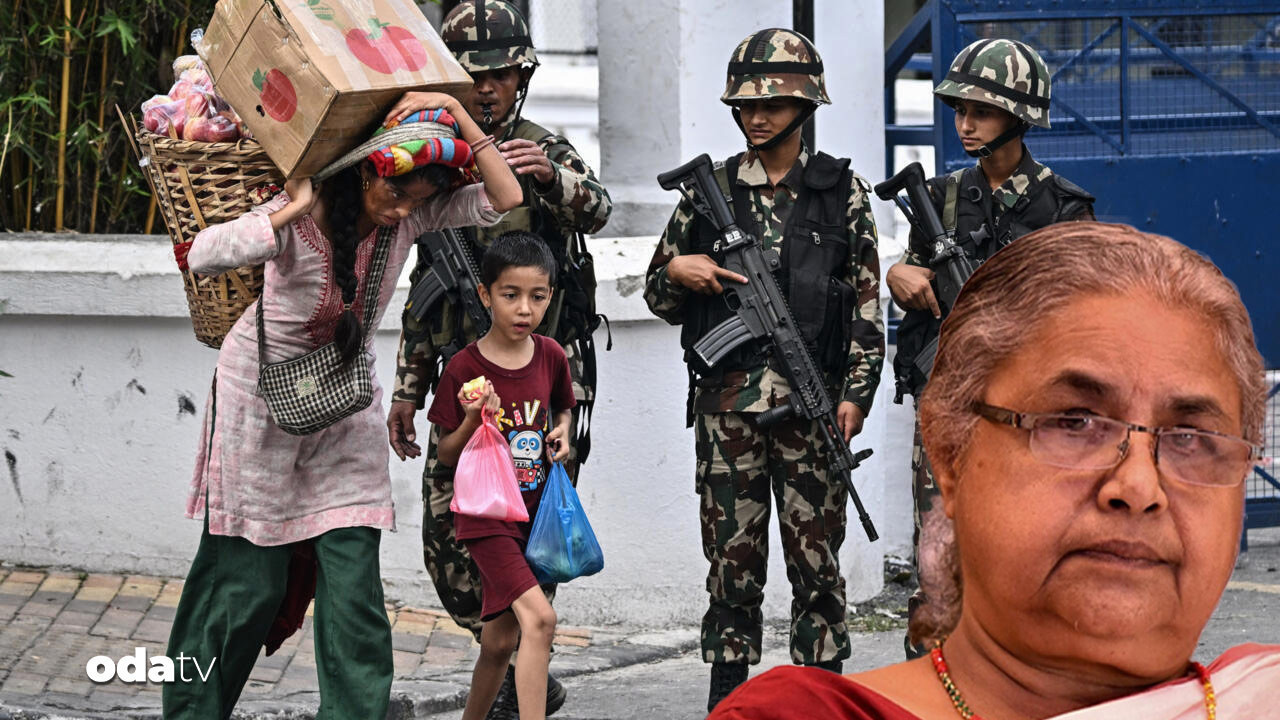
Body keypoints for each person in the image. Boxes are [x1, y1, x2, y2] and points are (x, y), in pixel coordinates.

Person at [709, 221, 1278, 719]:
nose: (1137, 487)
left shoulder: (1259, 697)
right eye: (1074, 422)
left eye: (1190, 438)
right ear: (950, 454)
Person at [161, 91, 521, 719]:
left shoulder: (411, 219)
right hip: (258, 405)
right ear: (366, 166)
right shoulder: (305, 210)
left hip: (345, 407)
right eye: (396, 187)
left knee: (354, 584)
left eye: (420, 194)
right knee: (247, 583)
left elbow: (504, 198)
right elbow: (203, 253)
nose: (403, 204)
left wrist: (459, 119)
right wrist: (290, 207)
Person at [643, 28, 884, 713]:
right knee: (731, 568)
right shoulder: (711, 190)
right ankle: (728, 701)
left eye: (772, 104)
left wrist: (855, 400)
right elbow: (659, 298)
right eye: (746, 105)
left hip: (814, 414)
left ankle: (824, 699)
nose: (756, 115)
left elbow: (867, 310)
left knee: (818, 569)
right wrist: (676, 270)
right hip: (728, 411)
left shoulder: (843, 195)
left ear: (805, 106)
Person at [387, 2, 612, 714]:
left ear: (523, 77)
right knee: (447, 542)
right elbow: (422, 293)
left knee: (531, 534)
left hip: (539, 384)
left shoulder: (544, 150)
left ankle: (523, 681)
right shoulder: (434, 156)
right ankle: (518, 655)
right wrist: (405, 388)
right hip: (465, 383)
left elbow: (600, 209)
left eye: (501, 77)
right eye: (472, 78)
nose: (487, 90)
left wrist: (549, 178)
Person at [883, 38, 1096, 656]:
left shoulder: (1063, 208)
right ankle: (933, 678)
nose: (965, 124)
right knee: (939, 552)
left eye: (981, 111)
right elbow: (910, 272)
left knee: (1029, 550)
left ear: (1019, 117)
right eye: (959, 110)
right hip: (948, 407)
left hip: (1028, 417)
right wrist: (902, 277)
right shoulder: (942, 198)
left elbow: (1080, 322)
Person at [426, 231, 575, 720]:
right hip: (487, 515)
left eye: (537, 296)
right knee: (541, 620)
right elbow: (446, 453)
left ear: (550, 295)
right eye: (510, 295)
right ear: (486, 295)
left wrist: (563, 433)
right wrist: (472, 419)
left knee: (499, 639)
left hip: (533, 516)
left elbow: (563, 408)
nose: (524, 309)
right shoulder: (464, 369)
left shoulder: (552, 355)